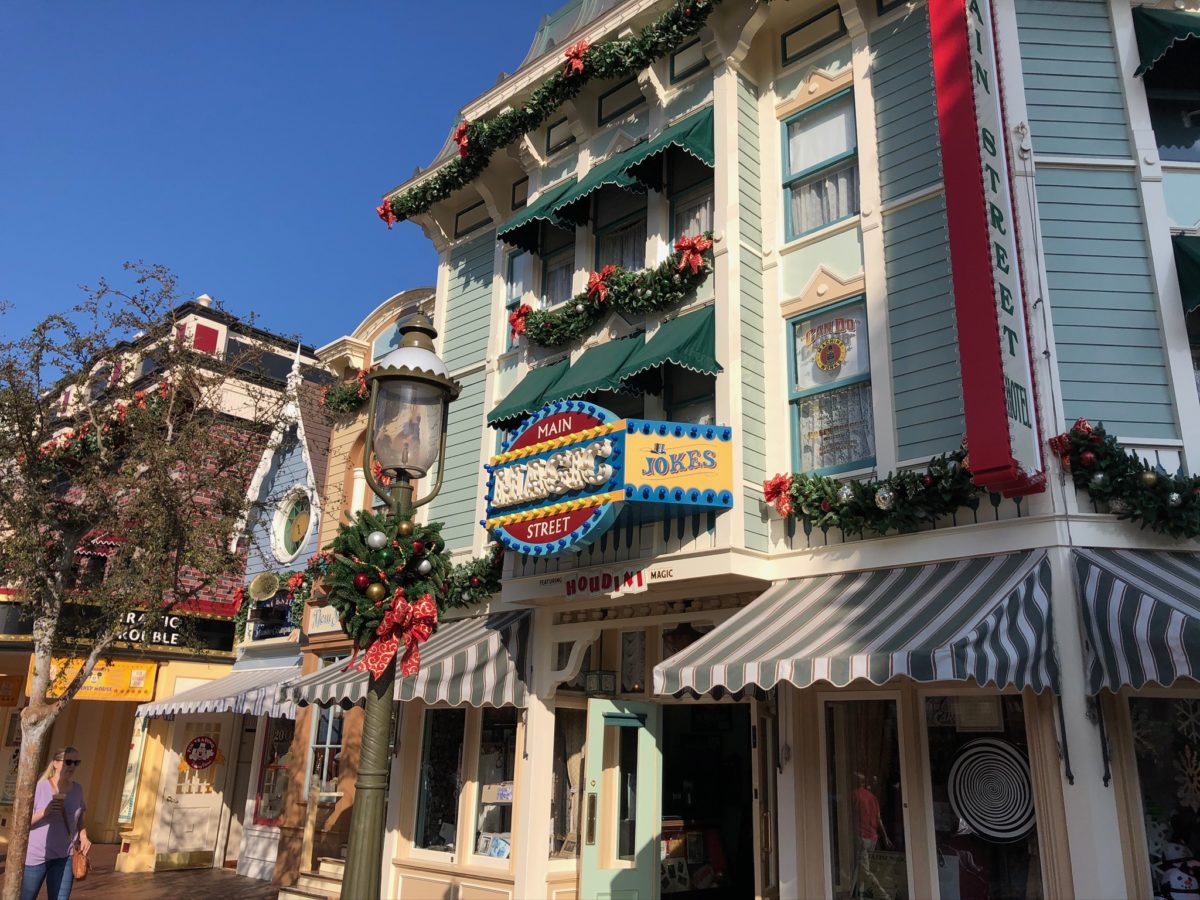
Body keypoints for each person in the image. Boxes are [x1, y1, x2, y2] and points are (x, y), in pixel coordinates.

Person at [23, 746, 90, 900]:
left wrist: (84, 835)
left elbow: (79, 818)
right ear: (55, 763)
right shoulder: (40, 787)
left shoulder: (78, 789)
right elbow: (22, 823)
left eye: (76, 762)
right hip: (37, 856)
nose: (72, 766)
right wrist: (44, 813)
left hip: (65, 856)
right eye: (68, 761)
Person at [851, 772, 892, 900]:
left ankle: (884, 894)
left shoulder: (855, 794)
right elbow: (879, 819)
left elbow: (852, 815)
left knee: (865, 871)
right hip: (873, 838)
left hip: (862, 837)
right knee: (862, 868)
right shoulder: (873, 798)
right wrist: (885, 836)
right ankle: (859, 895)